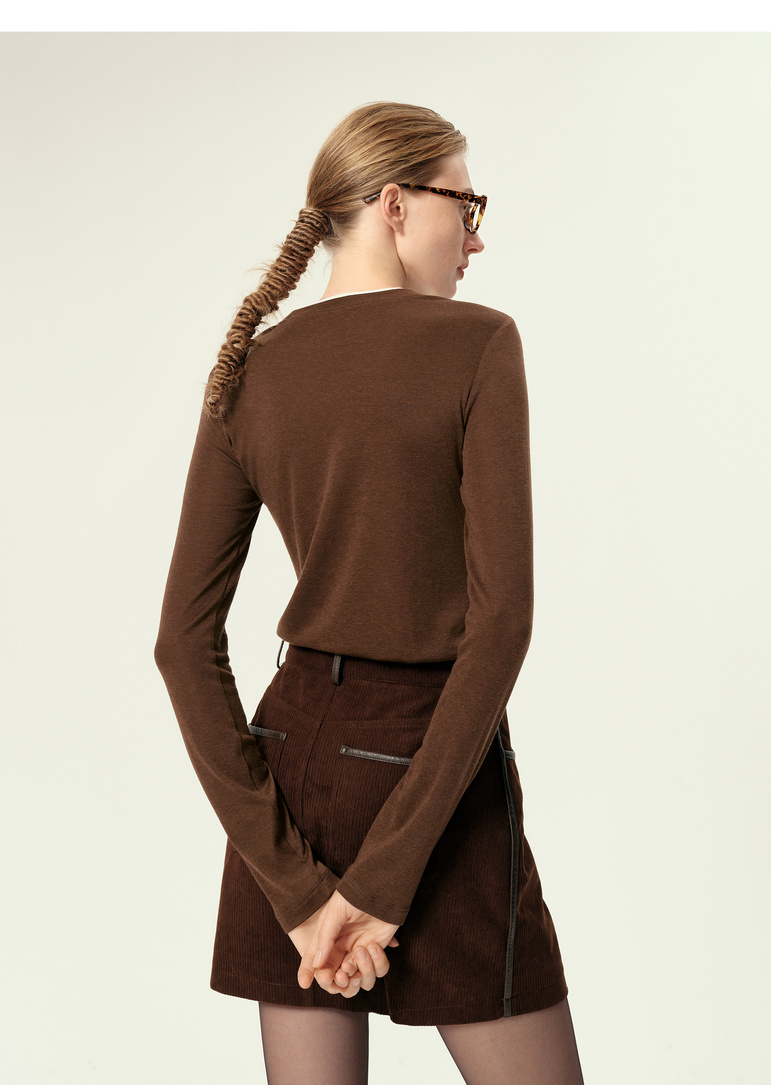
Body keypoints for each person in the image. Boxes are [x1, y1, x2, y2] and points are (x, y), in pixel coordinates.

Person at [154, 101, 585, 1085]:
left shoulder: (250, 366)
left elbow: (181, 643)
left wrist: (297, 890)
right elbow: (501, 622)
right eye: (465, 204)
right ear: (395, 203)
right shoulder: (477, 343)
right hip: (433, 765)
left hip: (292, 771)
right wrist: (383, 884)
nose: (476, 235)